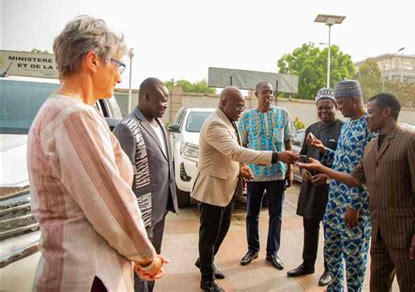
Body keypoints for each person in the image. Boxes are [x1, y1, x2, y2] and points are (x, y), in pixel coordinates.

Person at [27, 16, 166, 291]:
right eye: (118, 64)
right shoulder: (73, 116)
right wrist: (146, 257)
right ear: (92, 61)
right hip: (88, 275)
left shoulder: (66, 110)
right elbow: (110, 202)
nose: (120, 75)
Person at [298, 93, 415, 292]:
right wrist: (322, 168)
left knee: (409, 285)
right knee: (378, 285)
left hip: (405, 232)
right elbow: (355, 179)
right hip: (379, 230)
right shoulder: (371, 146)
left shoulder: (413, 139)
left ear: (386, 112)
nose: (367, 117)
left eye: (370, 113)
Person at [191, 86, 299, 292]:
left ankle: (205, 261)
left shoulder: (228, 122)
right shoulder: (215, 124)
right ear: (223, 102)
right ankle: (206, 279)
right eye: (237, 105)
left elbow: (226, 156)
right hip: (212, 189)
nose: (241, 109)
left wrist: (240, 169)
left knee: (220, 231)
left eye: (243, 105)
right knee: (209, 235)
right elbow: (234, 151)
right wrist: (275, 156)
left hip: (227, 187)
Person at [306, 80, 372, 292]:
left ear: (355, 100)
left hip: (354, 206)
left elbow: (367, 172)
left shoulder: (370, 127)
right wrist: (324, 149)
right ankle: (335, 287)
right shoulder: (349, 125)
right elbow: (343, 160)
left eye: (341, 103)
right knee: (332, 250)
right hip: (334, 202)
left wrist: (355, 205)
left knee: (354, 257)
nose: (339, 107)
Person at [113, 77, 178, 292]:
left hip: (159, 208)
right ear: (146, 97)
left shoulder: (158, 122)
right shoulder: (127, 128)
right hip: (142, 212)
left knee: (153, 263)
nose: (165, 106)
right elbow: (122, 180)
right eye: (161, 100)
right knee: (140, 268)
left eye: (167, 100)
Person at [286, 88, 343, 286]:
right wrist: (303, 172)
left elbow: (345, 163)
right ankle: (307, 264)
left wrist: (326, 177)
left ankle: (330, 269)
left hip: (331, 190)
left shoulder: (343, 129)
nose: (324, 111)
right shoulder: (312, 128)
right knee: (309, 229)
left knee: (331, 232)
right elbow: (302, 156)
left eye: (328, 107)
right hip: (310, 188)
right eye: (320, 108)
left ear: (336, 107)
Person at [238, 81, 295, 271]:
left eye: (271, 92)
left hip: (277, 173)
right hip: (254, 174)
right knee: (251, 214)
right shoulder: (246, 117)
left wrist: (290, 170)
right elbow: (242, 147)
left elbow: (288, 143)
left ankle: (272, 253)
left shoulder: (283, 114)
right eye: (265, 92)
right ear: (256, 94)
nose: (269, 95)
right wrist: (243, 167)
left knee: (275, 215)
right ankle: (252, 249)